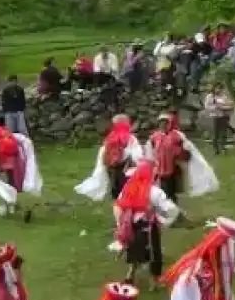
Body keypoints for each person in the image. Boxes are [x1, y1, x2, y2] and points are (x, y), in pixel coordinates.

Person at [110, 160, 181, 289]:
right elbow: (171, 210)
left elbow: (118, 206)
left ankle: (130, 275)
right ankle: (154, 281)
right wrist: (164, 220)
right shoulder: (154, 191)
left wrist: (120, 224)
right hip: (148, 226)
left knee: (132, 250)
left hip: (131, 227)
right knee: (154, 253)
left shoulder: (128, 188)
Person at [145, 112, 219, 207]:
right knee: (163, 191)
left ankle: (173, 210)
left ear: (169, 123)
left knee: (171, 191)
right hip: (160, 169)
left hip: (174, 168)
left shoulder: (176, 135)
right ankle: (168, 210)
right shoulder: (155, 137)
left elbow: (186, 151)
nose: (163, 125)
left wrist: (181, 153)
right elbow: (150, 151)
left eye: (165, 123)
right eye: (161, 123)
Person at [75, 114, 145, 202]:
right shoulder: (130, 138)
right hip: (126, 167)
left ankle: (117, 204)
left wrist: (103, 165)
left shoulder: (110, 137)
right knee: (126, 188)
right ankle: (125, 205)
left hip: (112, 167)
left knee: (115, 187)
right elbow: (137, 154)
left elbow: (103, 152)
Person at [0, 123, 43, 220]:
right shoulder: (5, 132)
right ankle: (12, 203)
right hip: (15, 155)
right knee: (12, 180)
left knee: (6, 182)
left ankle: (10, 204)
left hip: (6, 157)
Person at [203, 83, 235, 155]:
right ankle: (215, 148)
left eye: (220, 88)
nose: (218, 90)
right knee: (215, 134)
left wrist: (225, 107)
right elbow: (207, 106)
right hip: (214, 117)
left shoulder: (223, 96)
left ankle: (223, 148)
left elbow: (230, 104)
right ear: (214, 88)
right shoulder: (210, 96)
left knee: (223, 133)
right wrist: (215, 107)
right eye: (217, 88)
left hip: (223, 117)